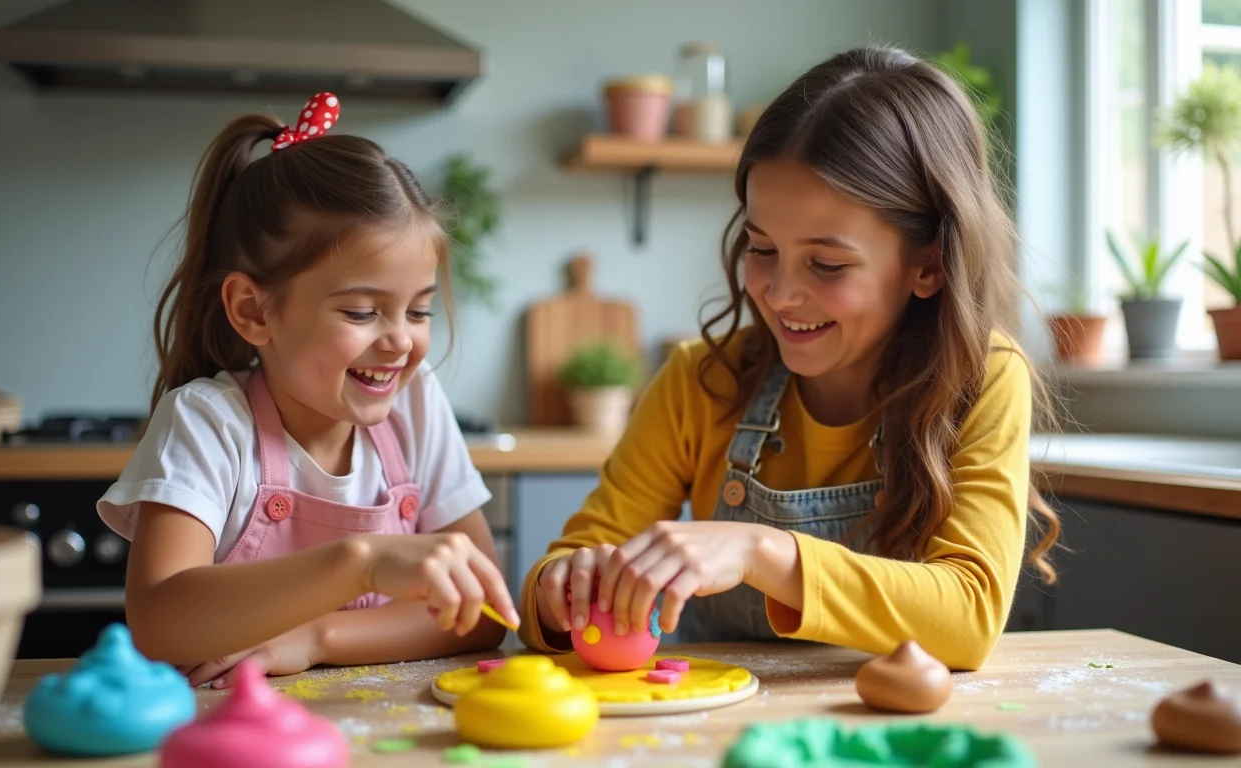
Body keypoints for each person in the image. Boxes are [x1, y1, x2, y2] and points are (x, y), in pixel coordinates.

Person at [518, 47, 1061, 670]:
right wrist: (567, 586)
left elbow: (968, 616)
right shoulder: (700, 381)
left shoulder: (980, 377)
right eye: (761, 247)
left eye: (826, 264)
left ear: (929, 265)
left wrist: (761, 551)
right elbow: (560, 575)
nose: (778, 293)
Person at [97, 92, 517, 688]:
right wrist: (361, 564)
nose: (401, 342)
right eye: (362, 312)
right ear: (254, 311)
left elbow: (482, 612)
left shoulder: (417, 404)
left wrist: (318, 637)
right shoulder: (207, 423)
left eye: (419, 311)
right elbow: (159, 622)